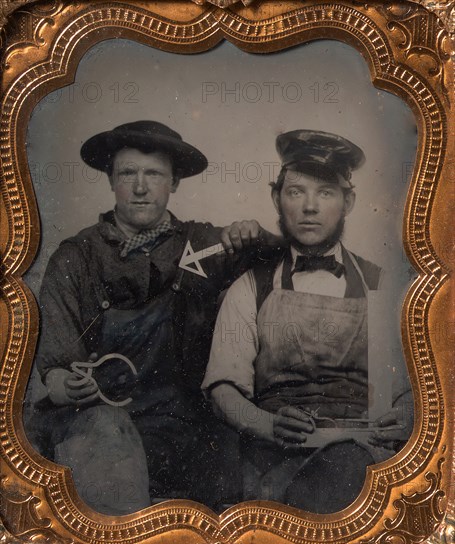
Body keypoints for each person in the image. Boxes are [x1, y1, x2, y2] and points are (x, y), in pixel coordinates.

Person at [26, 120, 281, 515]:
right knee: (109, 442)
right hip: (96, 428)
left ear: (174, 182)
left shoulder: (203, 245)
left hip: (183, 429)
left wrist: (257, 235)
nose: (140, 187)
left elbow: (290, 256)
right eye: (128, 173)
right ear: (111, 180)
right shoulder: (75, 258)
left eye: (154, 174)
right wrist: (65, 384)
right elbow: (56, 372)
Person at [202, 129, 413, 513]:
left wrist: (406, 412)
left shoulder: (382, 287)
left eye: (326, 192)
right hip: (271, 459)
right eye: (296, 191)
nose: (309, 207)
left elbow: (408, 390)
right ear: (276, 199)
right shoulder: (250, 288)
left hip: (360, 460)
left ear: (348, 201)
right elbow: (223, 391)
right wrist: (268, 425)